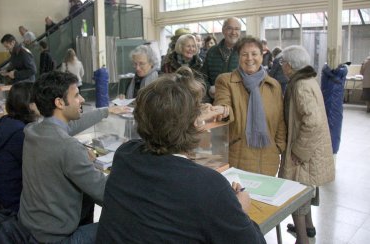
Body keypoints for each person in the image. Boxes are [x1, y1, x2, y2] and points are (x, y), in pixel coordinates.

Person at [95, 67, 266, 244]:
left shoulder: (125, 155)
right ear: (196, 123)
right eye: (198, 109)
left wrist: (191, 118)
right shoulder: (209, 186)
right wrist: (241, 211)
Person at [18, 71, 129, 243]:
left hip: (29, 227)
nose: (83, 100)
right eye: (77, 95)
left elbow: (67, 127)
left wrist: (106, 111)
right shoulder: (68, 147)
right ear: (60, 102)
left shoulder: (33, 130)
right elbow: (106, 193)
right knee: (126, 224)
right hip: (54, 238)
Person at [278, 45, 335, 244]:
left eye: (283, 62)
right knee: (304, 190)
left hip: (305, 151)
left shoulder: (300, 85)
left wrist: (298, 151)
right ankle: (308, 228)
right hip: (313, 148)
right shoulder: (308, 80)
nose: (281, 66)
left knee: (296, 192)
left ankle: (302, 239)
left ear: (290, 65)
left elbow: (313, 122)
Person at [214, 36, 286, 176]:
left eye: (254, 54)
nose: (249, 58)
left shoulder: (273, 85)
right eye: (244, 54)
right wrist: (223, 110)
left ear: (262, 55)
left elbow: (280, 121)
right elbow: (224, 104)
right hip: (238, 158)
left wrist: (278, 147)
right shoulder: (225, 81)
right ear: (238, 57)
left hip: (268, 159)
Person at [0, 82, 39, 213]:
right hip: (14, 203)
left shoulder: (7, 121)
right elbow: (41, 166)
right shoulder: (20, 133)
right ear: (29, 105)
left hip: (0, 195)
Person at [200, 17, 241, 102]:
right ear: (223, 30)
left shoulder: (244, 51)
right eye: (230, 28)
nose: (233, 32)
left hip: (237, 100)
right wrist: (208, 89)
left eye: (237, 29)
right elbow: (203, 75)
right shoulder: (212, 51)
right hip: (215, 101)